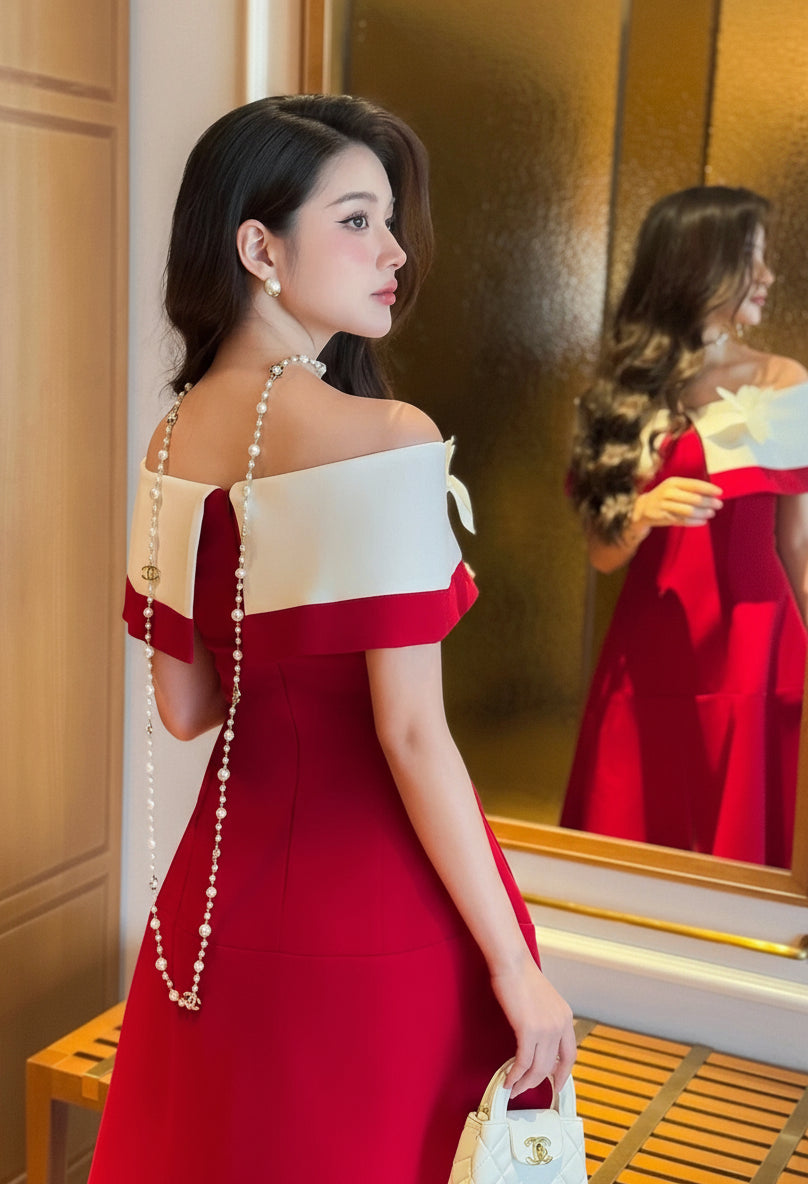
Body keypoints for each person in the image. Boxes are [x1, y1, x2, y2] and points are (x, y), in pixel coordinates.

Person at [88, 94, 575, 1184]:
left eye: (390, 221)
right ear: (259, 246)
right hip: (375, 905)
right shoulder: (384, 438)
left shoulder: (170, 436)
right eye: (357, 219)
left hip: (218, 904)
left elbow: (188, 705)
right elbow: (410, 734)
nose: (395, 251)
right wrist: (514, 964)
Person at [560, 185, 808, 868]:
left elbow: (798, 545)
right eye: (750, 259)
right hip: (657, 641)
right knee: (639, 827)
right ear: (698, 264)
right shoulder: (621, 390)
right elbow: (603, 556)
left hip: (759, 645)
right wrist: (640, 512)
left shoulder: (782, 380)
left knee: (746, 852)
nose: (767, 276)